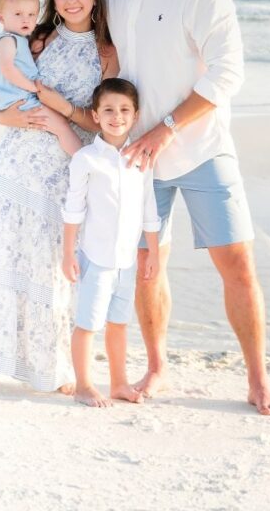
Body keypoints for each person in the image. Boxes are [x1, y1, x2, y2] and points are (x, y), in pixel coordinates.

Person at [104, 0, 270, 416]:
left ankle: (258, 380)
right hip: (140, 157)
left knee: (237, 263)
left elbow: (229, 72)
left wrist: (166, 126)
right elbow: (105, 60)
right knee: (146, 266)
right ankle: (157, 367)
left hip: (203, 146)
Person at [0, 0, 118, 392]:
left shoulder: (106, 52)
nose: (71, 0)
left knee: (49, 266)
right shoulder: (37, 38)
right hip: (15, 162)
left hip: (62, 169)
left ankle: (55, 367)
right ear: (51, 0)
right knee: (1, 254)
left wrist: (61, 116)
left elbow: (101, 122)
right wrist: (8, 118)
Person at [61, 78, 160, 408]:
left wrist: (153, 253)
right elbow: (73, 208)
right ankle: (84, 385)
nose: (116, 116)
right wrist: (67, 255)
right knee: (88, 324)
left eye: (124, 110)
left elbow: (149, 209)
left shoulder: (141, 158)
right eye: (108, 110)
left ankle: (118, 382)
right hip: (96, 257)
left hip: (127, 261)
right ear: (96, 114)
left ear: (135, 115)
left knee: (119, 323)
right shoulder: (87, 159)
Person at [0, 0, 43, 111]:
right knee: (57, 121)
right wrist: (33, 88)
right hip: (17, 97)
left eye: (31, 14)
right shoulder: (8, 40)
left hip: (17, 96)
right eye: (18, 14)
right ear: (1, 18)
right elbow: (7, 68)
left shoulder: (20, 39)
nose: (26, 19)